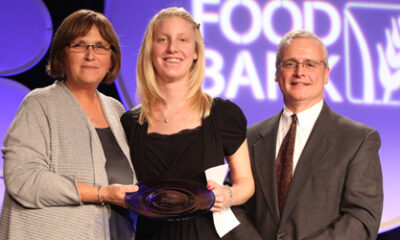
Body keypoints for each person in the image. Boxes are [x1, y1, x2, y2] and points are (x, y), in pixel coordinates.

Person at [0, 9, 137, 240]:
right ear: (62, 54)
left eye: (100, 46)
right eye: (80, 45)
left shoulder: (116, 110)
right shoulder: (39, 104)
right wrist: (102, 194)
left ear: (112, 57)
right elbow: (23, 179)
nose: (90, 55)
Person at [121, 7, 254, 240]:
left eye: (183, 39)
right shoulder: (130, 124)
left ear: (195, 52)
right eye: (163, 39)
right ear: (150, 51)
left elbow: (246, 183)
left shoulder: (223, 115)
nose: (173, 48)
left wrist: (228, 195)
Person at [245, 29, 383, 239]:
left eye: (310, 64)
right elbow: (232, 203)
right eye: (290, 63)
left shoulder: (358, 140)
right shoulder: (251, 138)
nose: (300, 72)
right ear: (276, 73)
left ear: (326, 74)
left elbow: (362, 219)